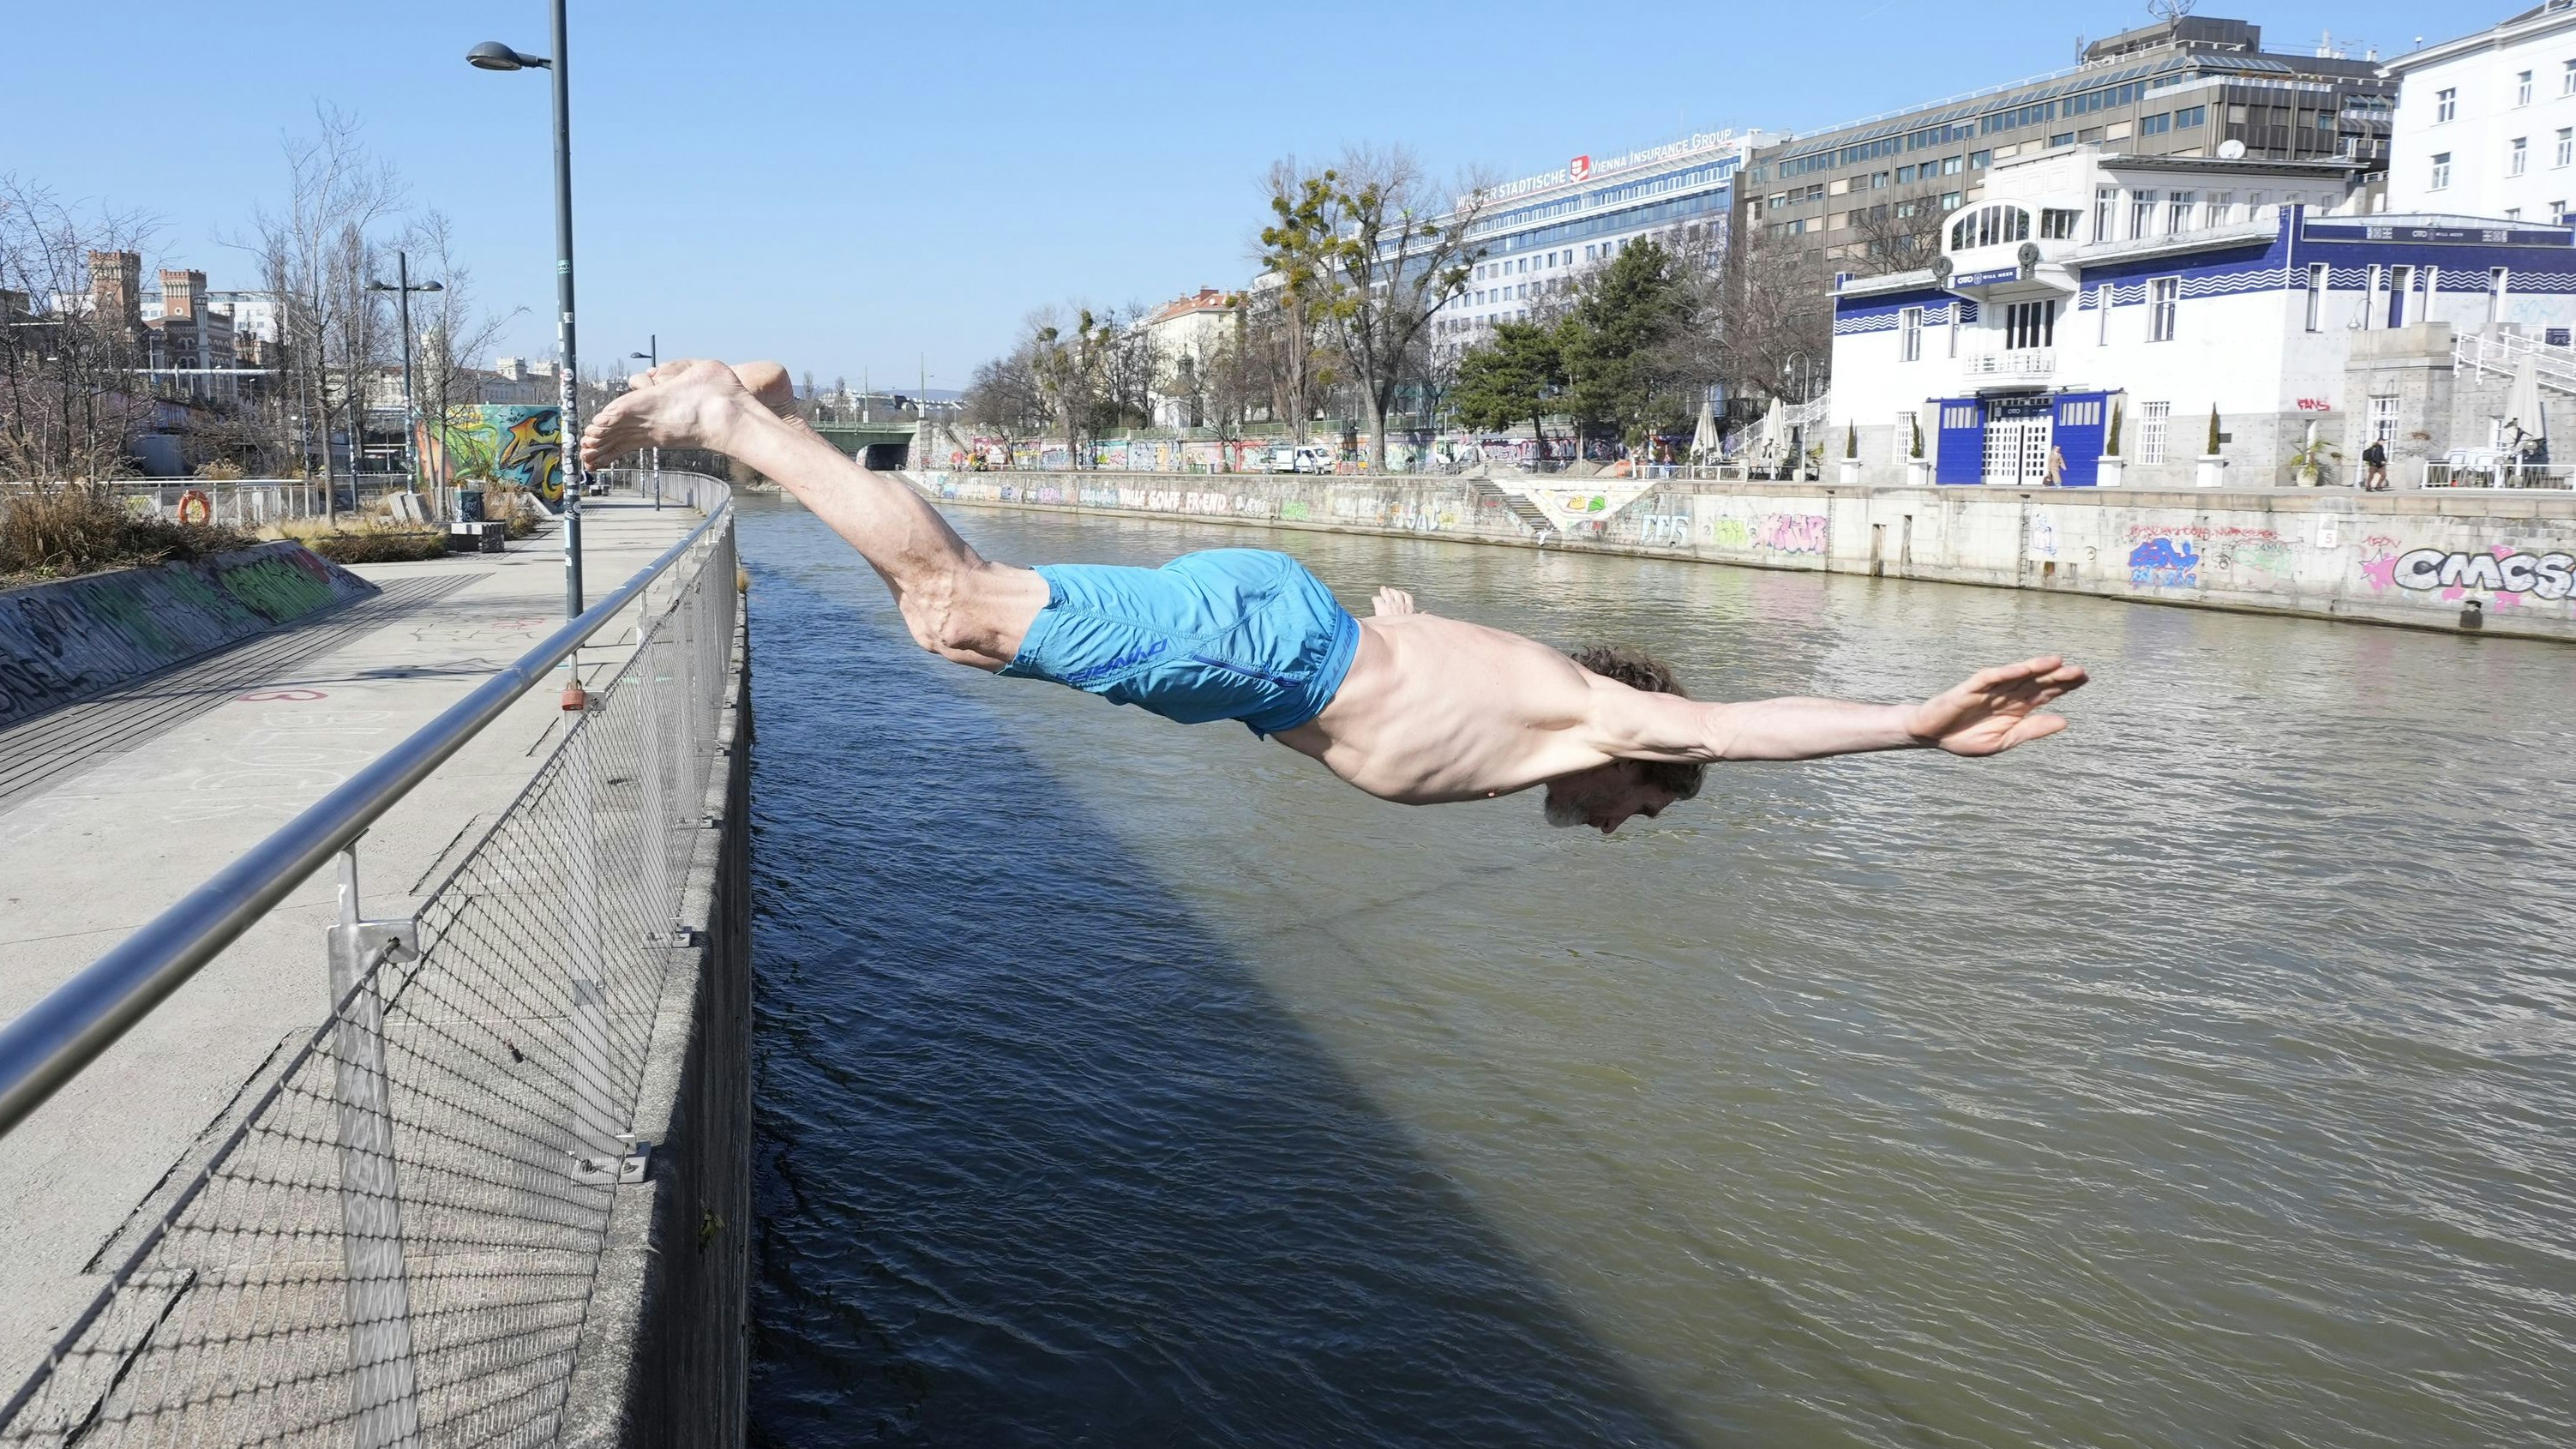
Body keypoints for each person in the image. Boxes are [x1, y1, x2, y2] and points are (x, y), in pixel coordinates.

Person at [581, 360, 2090, 834]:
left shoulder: (1525, 683)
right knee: (960, 603)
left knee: (957, 629)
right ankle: (740, 418)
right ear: (1647, 756)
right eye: (1648, 806)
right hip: (1268, 652)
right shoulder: (1596, 715)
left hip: (1278, 635)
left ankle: (776, 413)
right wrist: (1909, 722)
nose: (1625, 826)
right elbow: (1744, 726)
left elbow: (1409, 629)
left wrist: (1385, 611)